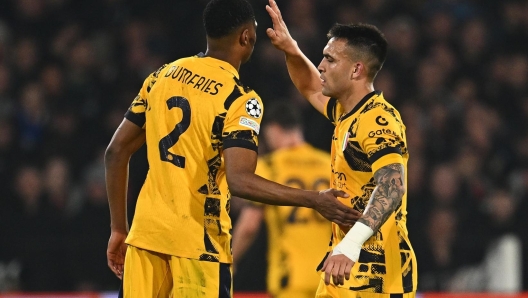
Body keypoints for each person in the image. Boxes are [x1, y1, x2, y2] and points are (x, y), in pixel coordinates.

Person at [104, 0, 361, 297]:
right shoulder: (240, 99)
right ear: (246, 37)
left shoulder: (161, 76)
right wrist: (314, 200)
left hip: (145, 239)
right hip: (200, 247)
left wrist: (118, 229)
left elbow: (116, 152)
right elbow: (240, 180)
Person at [265, 1, 417, 297]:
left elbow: (393, 184)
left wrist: (350, 244)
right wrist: (290, 48)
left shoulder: (377, 118)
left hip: (378, 274)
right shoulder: (347, 114)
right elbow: (310, 87)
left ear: (356, 69)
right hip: (342, 267)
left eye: (330, 60)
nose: (321, 66)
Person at [232, 102, 332, 298]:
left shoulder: (269, 166)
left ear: (274, 129)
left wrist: (232, 259)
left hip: (291, 279)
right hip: (331, 277)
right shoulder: (329, 163)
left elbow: (250, 225)